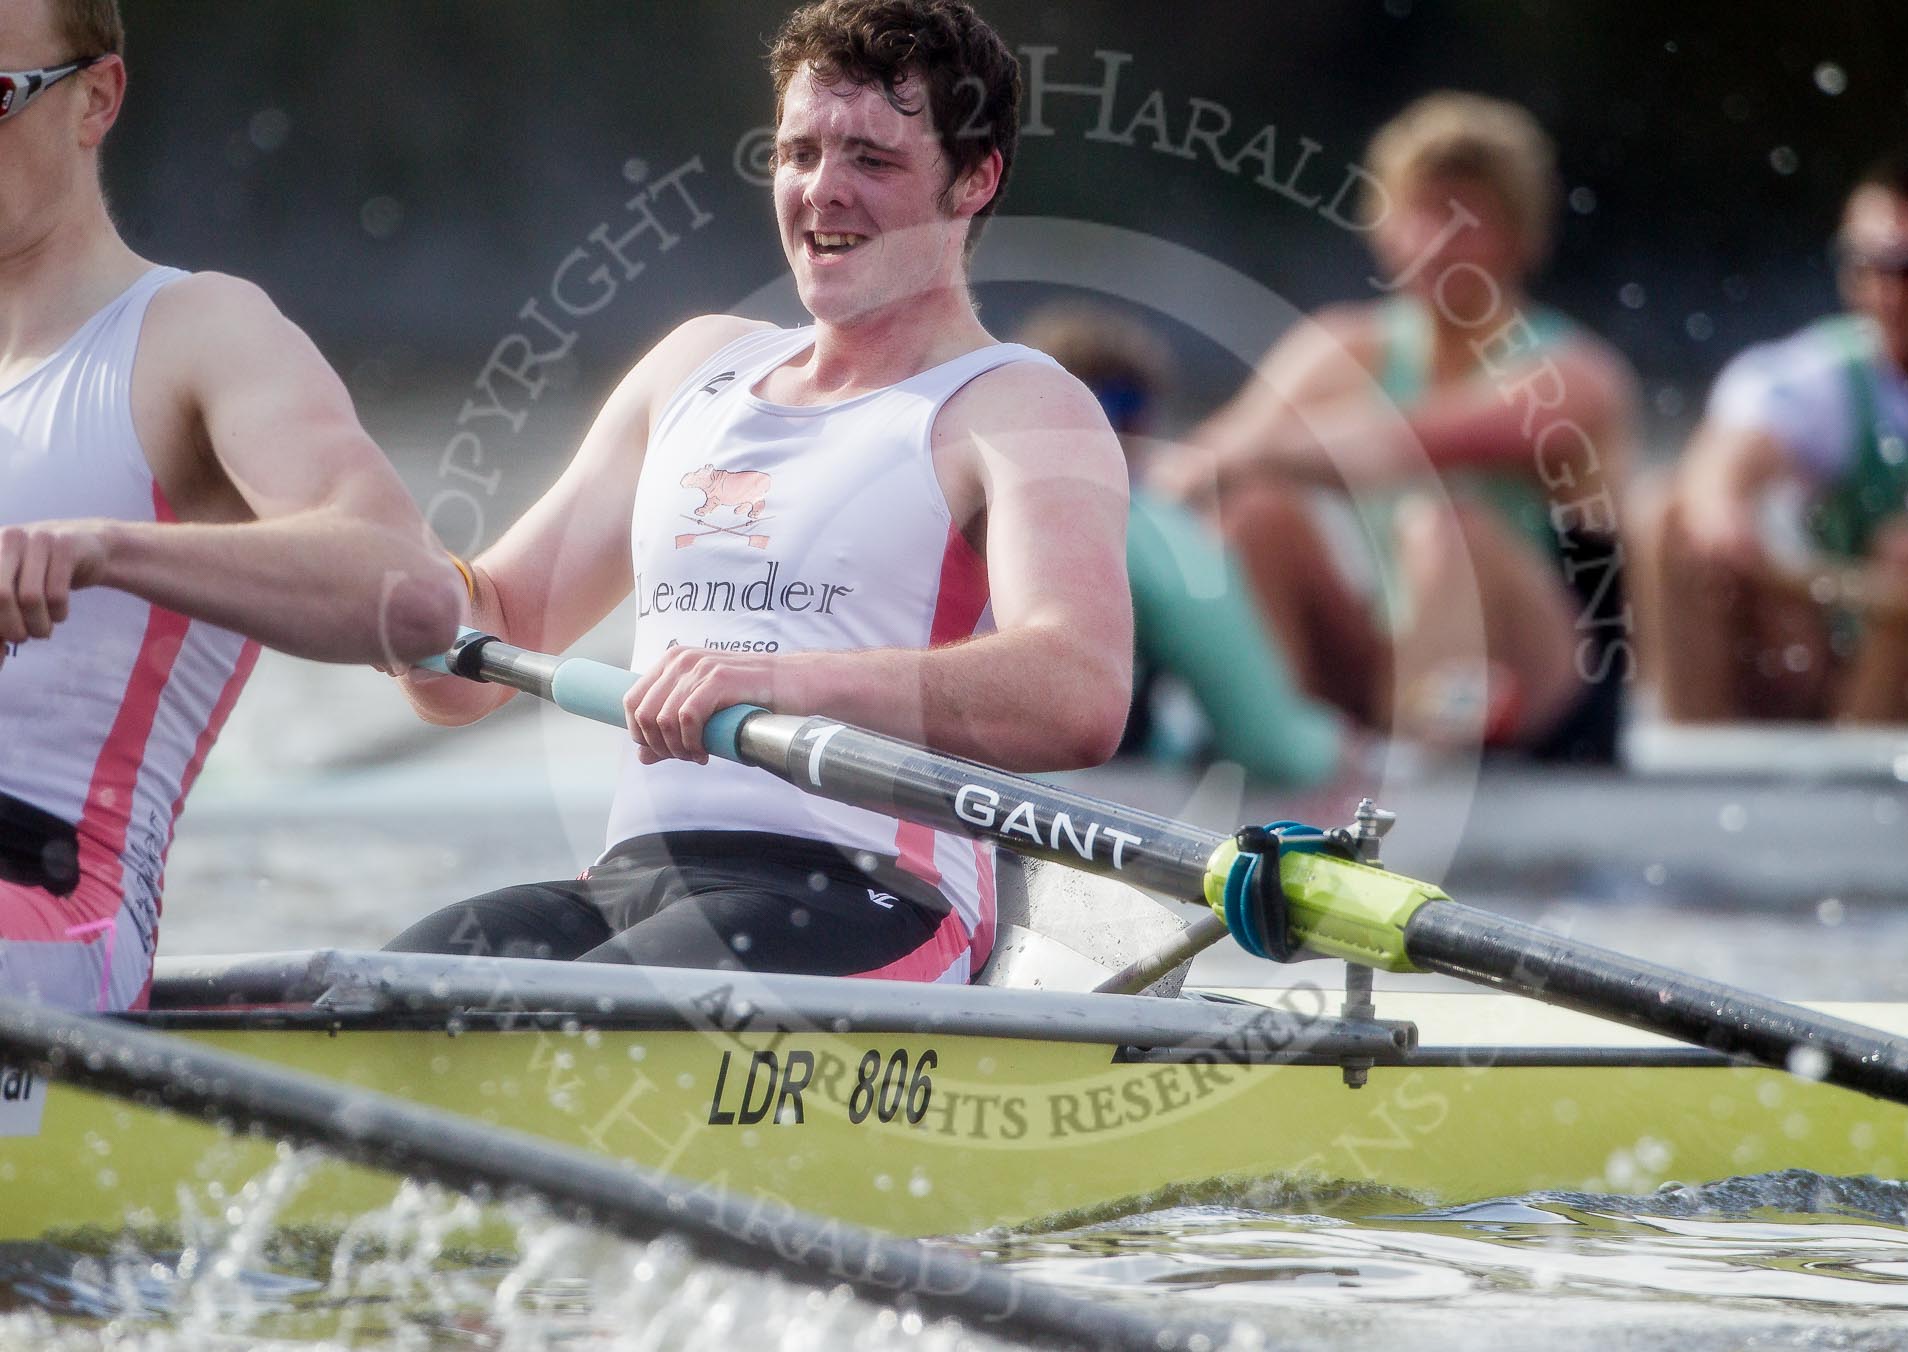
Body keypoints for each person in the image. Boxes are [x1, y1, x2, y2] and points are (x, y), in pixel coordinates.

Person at [389, 0, 1132, 985]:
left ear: (975, 180)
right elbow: (474, 649)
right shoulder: (692, 366)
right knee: (355, 991)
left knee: (580, 1013)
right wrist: (396, 583)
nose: (823, 192)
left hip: (875, 900)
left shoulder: (1016, 405)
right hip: (633, 880)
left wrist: (776, 677)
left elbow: (1079, 690)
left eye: (871, 159)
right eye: (799, 153)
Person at [0, 0, 464, 1011]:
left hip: (55, 912)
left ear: (95, 98)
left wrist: (101, 547)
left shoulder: (198, 332)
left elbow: (419, 598)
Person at [1155, 92, 1638, 761]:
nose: (1438, 241)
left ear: (1523, 235)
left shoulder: (1573, 375)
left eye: (1467, 217)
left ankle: (1422, 774)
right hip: (1396, 662)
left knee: (1446, 528)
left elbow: (1406, 445)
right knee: (1256, 517)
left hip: (1550, 685)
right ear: (1384, 225)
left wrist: (1256, 450)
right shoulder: (1344, 346)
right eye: (1421, 211)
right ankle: (1266, 753)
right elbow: (1191, 472)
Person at [1645, 148, 1908, 725]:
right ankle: (1697, 751)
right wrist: (1721, 513)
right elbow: (1726, 458)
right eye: (1866, 264)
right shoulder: (1823, 370)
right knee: (1670, 519)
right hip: (1833, 646)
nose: (1888, 294)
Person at [1012, 301, 1352, 787]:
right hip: (1066, 802)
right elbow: (1273, 750)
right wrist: (1339, 746)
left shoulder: (941, 486)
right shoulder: (1152, 532)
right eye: (1112, 411)